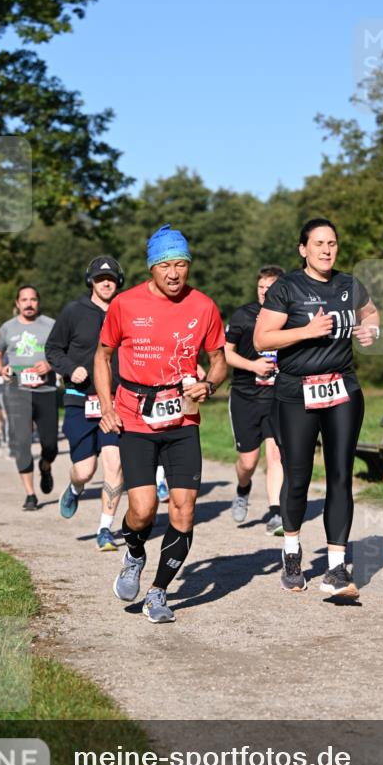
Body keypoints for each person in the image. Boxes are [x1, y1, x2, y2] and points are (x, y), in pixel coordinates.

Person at [95, 224, 227, 624]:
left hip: (183, 416)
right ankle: (134, 552)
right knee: (143, 508)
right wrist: (106, 404)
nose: (174, 273)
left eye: (181, 264)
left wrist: (208, 383)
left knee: (184, 511)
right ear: (151, 267)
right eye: (166, 265)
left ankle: (158, 592)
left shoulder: (203, 306)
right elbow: (102, 356)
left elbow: (219, 360)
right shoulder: (125, 304)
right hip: (135, 416)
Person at [254, 218, 379, 596]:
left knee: (341, 474)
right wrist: (306, 332)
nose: (327, 250)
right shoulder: (286, 288)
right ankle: (291, 550)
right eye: (319, 243)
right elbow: (262, 339)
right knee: (298, 475)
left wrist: (372, 331)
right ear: (303, 249)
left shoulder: (349, 285)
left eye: (333, 243)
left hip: (342, 387)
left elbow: (371, 313)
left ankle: (337, 566)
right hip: (296, 392)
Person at [46, 256, 125, 551]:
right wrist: (69, 369)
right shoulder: (73, 312)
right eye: (100, 278)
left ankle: (105, 529)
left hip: (115, 402)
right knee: (85, 470)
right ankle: (75, 487)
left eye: (111, 279)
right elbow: (53, 349)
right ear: (90, 281)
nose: (106, 283)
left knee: (114, 464)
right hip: (80, 400)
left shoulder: (126, 310)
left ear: (119, 282)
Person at [225, 265, 285, 534]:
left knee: (275, 455)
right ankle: (243, 489)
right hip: (244, 396)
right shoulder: (243, 316)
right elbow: (226, 354)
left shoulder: (291, 317)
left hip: (277, 397)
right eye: (260, 288)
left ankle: (276, 512)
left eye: (269, 288)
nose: (264, 292)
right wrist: (253, 366)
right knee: (248, 462)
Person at [0, 285, 57, 510]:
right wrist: (1, 368)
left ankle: (46, 466)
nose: (29, 304)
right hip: (17, 390)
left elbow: (63, 352)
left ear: (38, 302)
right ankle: (30, 494)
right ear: (17, 303)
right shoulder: (7, 328)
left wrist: (49, 364)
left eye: (33, 300)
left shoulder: (51, 325)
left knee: (50, 444)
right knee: (21, 442)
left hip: (46, 390)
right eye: (24, 300)